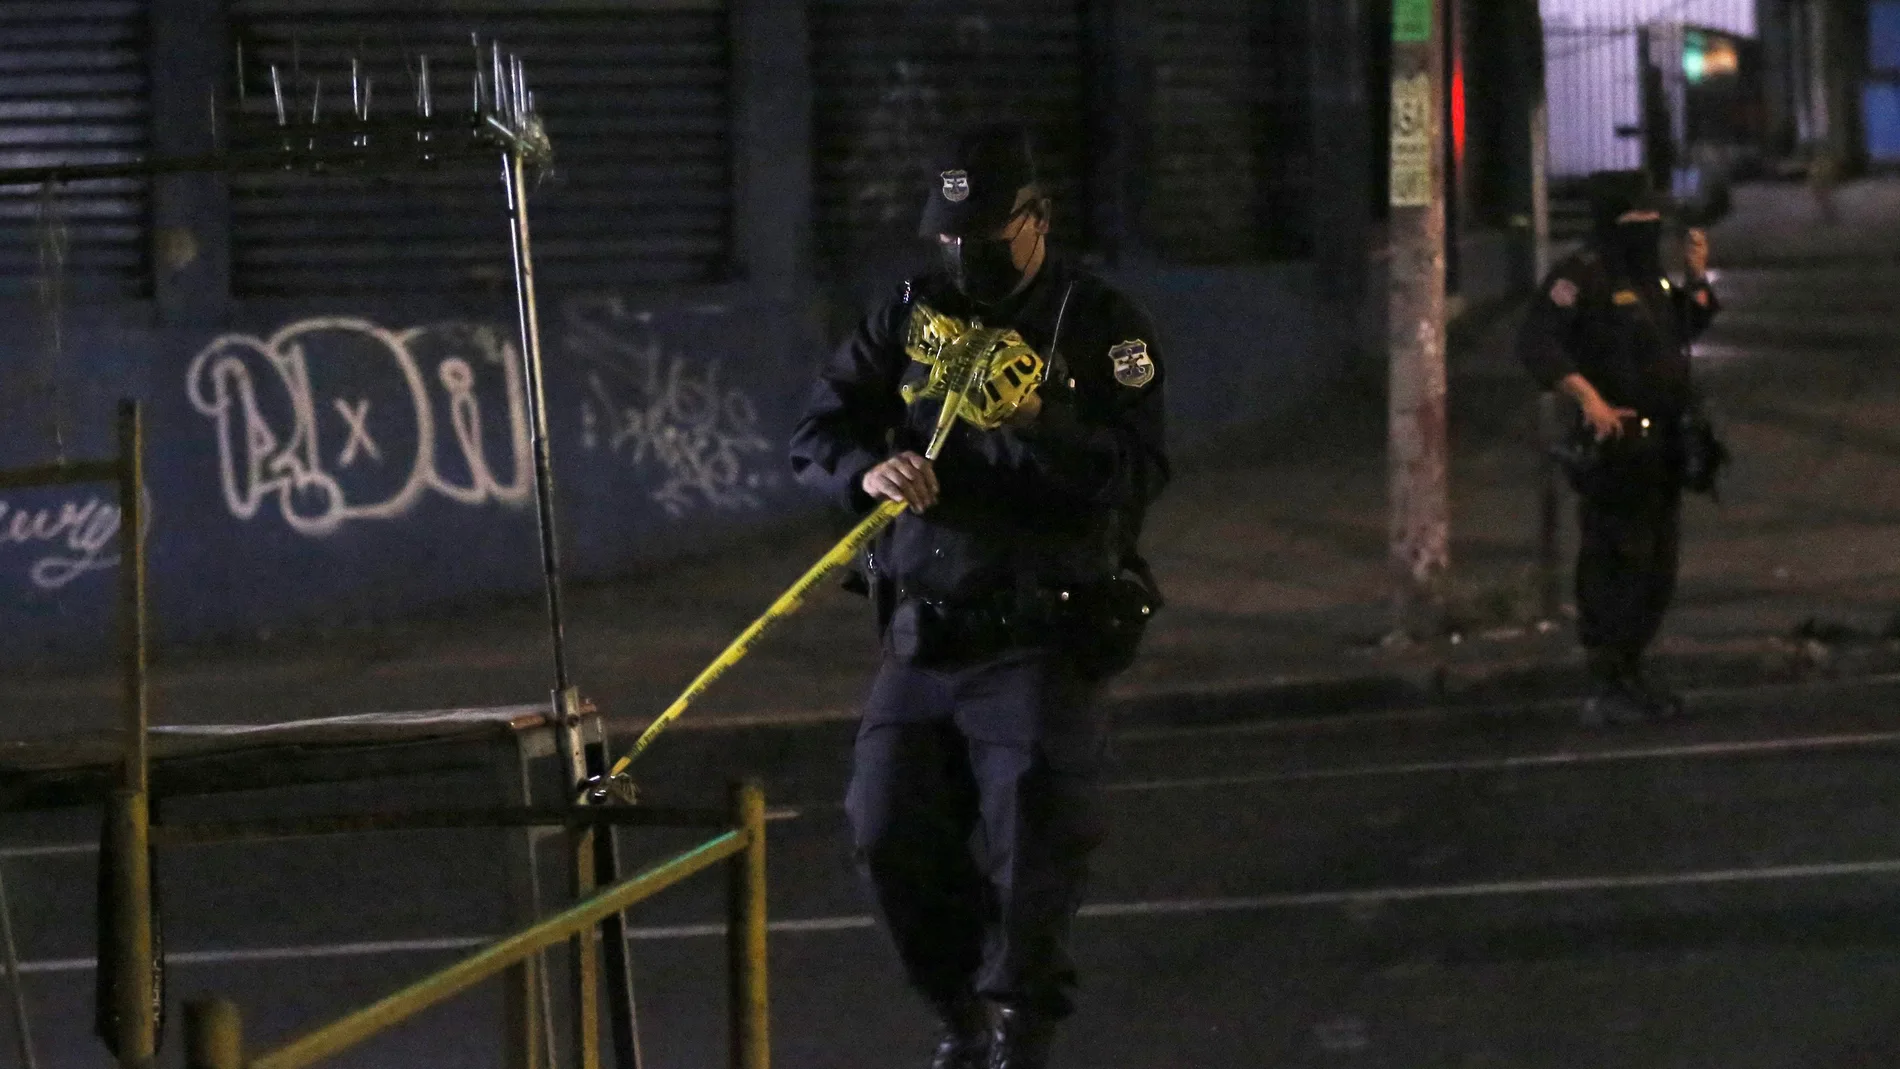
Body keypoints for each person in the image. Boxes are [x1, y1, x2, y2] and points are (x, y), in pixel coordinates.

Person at [788, 123, 1169, 1069]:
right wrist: (868, 473)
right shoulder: (913, 310)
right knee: (884, 831)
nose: (966, 255)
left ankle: (1016, 1029)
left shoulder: (1099, 322)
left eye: (988, 236)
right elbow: (818, 430)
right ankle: (960, 1009)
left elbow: (1137, 467)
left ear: (1035, 221)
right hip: (924, 632)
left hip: (1041, 631)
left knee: (1038, 847)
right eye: (951, 237)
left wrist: (1041, 419)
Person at [1517, 170, 1721, 727]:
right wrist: (1588, 399)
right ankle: (1608, 681)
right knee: (1618, 562)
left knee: (1658, 566)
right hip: (1617, 449)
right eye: (1642, 215)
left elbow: (1682, 328)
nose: (1653, 224)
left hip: (1662, 446)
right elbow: (1537, 342)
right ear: (1617, 219)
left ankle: (1632, 671)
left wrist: (1697, 276)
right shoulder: (1583, 275)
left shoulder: (1647, 275)